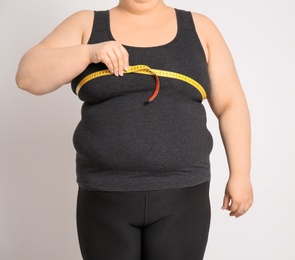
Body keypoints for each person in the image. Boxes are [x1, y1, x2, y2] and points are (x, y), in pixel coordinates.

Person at [15, 0, 253, 259]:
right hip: (103, 195)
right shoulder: (86, 24)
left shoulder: (200, 28)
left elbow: (230, 104)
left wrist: (240, 174)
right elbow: (27, 77)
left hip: (183, 195)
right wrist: (88, 53)